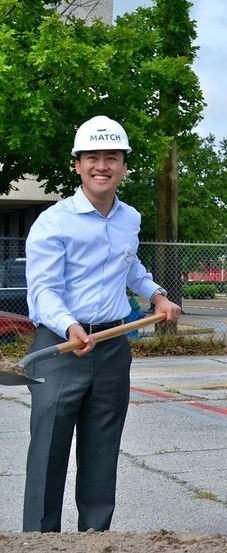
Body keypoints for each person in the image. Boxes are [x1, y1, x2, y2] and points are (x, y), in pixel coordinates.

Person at [23, 115, 181, 532]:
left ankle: (95, 543)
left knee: (102, 451)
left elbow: (131, 268)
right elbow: (42, 292)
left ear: (124, 166)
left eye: (112, 157)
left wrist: (157, 294)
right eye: (92, 157)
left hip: (112, 348)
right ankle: (39, 545)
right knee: (48, 453)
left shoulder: (130, 218)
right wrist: (70, 327)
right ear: (77, 165)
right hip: (60, 345)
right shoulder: (53, 222)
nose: (102, 166)